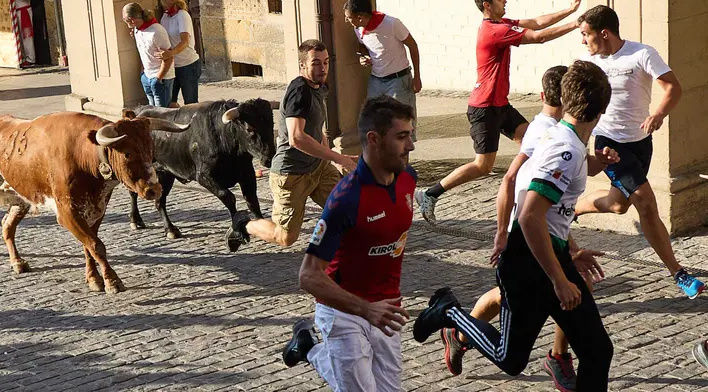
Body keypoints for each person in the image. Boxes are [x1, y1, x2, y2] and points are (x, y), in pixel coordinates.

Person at [414, 60, 614, 391]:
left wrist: (569, 250)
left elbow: (540, 202)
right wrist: (559, 279)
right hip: (527, 265)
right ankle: (450, 311)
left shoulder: (559, 137)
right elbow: (531, 215)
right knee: (511, 359)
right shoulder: (566, 150)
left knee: (597, 350)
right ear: (599, 112)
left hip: (548, 255)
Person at [415, 0, 585, 223]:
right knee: (483, 165)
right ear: (487, 5)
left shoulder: (500, 24)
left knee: (533, 143)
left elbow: (536, 23)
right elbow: (537, 37)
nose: (504, 1)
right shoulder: (494, 31)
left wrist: (570, 10)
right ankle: (429, 194)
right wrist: (576, 24)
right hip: (484, 108)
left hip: (500, 105)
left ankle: (541, 200)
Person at [281, 96, 416, 391]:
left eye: (410, 135)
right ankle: (313, 348)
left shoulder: (408, 178)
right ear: (374, 139)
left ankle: (308, 348)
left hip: (388, 310)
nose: (411, 146)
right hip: (344, 313)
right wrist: (366, 310)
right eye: (402, 137)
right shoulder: (346, 199)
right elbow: (308, 276)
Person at [574, 5, 705, 299]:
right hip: (608, 142)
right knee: (645, 202)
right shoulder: (587, 62)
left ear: (603, 33)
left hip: (640, 141)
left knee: (618, 204)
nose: (583, 41)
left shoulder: (641, 53)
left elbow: (672, 87)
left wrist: (658, 114)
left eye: (586, 34)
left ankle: (574, 209)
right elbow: (573, 101)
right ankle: (680, 274)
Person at [227, 40, 357, 250]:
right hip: (291, 174)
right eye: (316, 63)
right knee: (285, 237)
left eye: (326, 62)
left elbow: (316, 128)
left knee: (348, 209)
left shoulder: (320, 86)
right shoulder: (300, 91)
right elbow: (297, 137)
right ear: (303, 65)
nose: (322, 68)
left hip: (318, 168)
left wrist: (330, 157)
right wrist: (338, 157)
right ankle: (243, 224)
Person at [343, 0, 421, 139]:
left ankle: (403, 160)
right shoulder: (358, 28)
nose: (346, 20)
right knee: (373, 120)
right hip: (376, 80)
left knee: (401, 123)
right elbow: (364, 46)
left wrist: (417, 76)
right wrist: (363, 56)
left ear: (360, 17)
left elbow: (412, 45)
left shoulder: (392, 24)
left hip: (399, 80)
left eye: (349, 17)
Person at [122, 3, 175, 108]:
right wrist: (143, 74)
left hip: (161, 78)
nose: (123, 21)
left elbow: (168, 57)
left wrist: (158, 78)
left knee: (162, 114)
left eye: (124, 18)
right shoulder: (137, 29)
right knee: (153, 113)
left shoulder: (157, 32)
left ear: (131, 19)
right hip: (147, 76)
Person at [156, 0, 201, 106]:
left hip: (188, 64)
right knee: (170, 102)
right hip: (173, 65)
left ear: (168, 0)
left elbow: (185, 42)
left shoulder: (182, 15)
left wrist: (171, 53)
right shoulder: (165, 16)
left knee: (191, 102)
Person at [11, 0, 35, 65]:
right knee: (19, 37)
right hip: (16, 12)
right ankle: (24, 57)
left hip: (24, 12)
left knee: (27, 36)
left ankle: (31, 58)